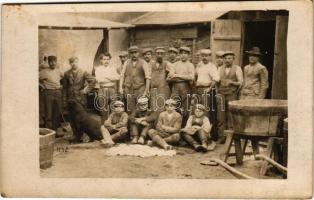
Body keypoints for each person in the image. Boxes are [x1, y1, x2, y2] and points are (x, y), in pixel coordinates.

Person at [217, 51, 243, 142]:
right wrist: (217, 91)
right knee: (220, 116)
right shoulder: (220, 68)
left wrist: (232, 83)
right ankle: (221, 137)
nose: (227, 60)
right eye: (225, 58)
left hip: (231, 94)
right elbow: (217, 81)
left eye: (229, 58)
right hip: (221, 94)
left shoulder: (237, 68)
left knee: (230, 116)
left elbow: (240, 83)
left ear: (233, 59)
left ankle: (230, 138)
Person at [194, 49, 220, 141]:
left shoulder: (212, 66)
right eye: (203, 56)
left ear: (210, 57)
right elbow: (196, 76)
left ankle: (206, 135)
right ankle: (197, 135)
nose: (204, 57)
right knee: (197, 111)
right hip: (198, 90)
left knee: (206, 112)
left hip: (207, 90)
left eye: (206, 56)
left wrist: (209, 89)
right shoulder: (199, 65)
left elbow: (216, 79)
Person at [119, 46, 151, 113]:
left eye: (135, 52)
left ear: (138, 53)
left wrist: (146, 90)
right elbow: (122, 76)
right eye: (132, 53)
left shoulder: (143, 62)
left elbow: (147, 77)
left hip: (140, 89)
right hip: (128, 89)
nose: (134, 54)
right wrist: (120, 88)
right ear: (130, 54)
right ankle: (131, 122)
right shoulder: (126, 62)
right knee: (130, 109)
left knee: (141, 108)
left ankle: (139, 122)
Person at [167, 46, 195, 122]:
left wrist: (177, 75)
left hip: (185, 87)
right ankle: (174, 126)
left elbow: (191, 77)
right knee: (173, 106)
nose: (183, 55)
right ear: (179, 54)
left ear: (189, 55)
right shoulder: (175, 64)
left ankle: (183, 127)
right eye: (182, 53)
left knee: (185, 108)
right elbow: (170, 76)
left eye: (185, 53)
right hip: (175, 87)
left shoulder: (190, 65)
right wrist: (183, 77)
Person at [94, 52, 120, 123]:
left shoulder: (112, 68)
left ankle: (114, 126)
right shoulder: (98, 69)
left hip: (112, 89)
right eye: (104, 59)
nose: (106, 61)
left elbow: (117, 77)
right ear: (101, 61)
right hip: (102, 89)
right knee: (103, 110)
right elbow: (99, 80)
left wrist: (105, 76)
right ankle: (104, 127)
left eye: (108, 59)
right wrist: (111, 78)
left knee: (113, 108)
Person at [39, 55, 64, 131]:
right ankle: (49, 131)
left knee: (57, 113)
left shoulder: (59, 71)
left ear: (56, 62)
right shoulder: (43, 72)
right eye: (51, 62)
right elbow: (34, 79)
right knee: (48, 113)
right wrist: (42, 86)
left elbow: (64, 79)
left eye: (54, 62)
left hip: (58, 93)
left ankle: (56, 130)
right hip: (48, 93)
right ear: (48, 63)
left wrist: (61, 86)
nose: (53, 63)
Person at [150, 47, 172, 112]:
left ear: (164, 55)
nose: (159, 55)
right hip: (153, 88)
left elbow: (172, 71)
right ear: (155, 54)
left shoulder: (167, 63)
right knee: (153, 106)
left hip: (162, 88)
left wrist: (169, 77)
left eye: (161, 54)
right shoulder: (151, 64)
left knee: (162, 107)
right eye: (158, 53)